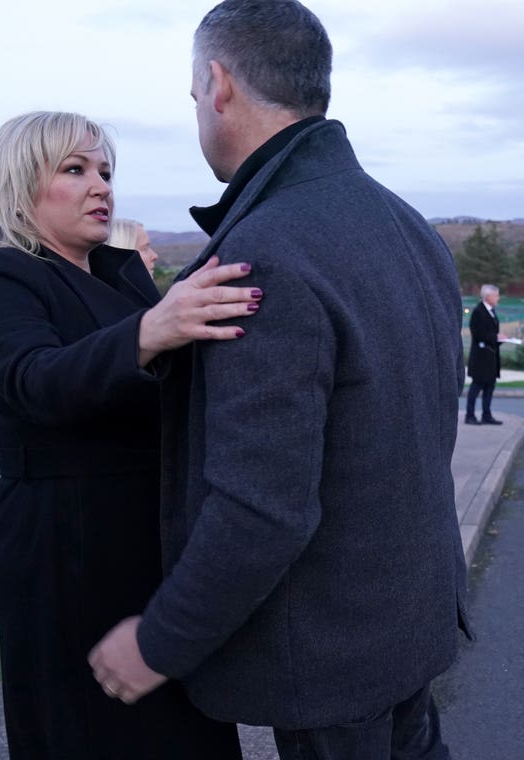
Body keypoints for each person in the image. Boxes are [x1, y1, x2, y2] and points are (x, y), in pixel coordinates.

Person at [88, 3, 472, 759]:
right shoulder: (410, 225)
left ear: (217, 83)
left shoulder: (267, 252)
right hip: (410, 626)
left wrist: (160, 641)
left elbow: (263, 508)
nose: (199, 108)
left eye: (195, 95)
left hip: (334, 658)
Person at [0, 110, 261, 759]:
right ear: (20, 183)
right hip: (71, 556)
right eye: (75, 169)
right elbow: (33, 382)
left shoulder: (123, 277)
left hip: (159, 550)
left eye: (106, 171)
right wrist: (154, 330)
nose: (102, 187)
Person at [465, 284, 506, 425]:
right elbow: (478, 334)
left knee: (490, 387)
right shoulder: (478, 312)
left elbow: (492, 336)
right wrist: (495, 337)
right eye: (496, 295)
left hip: (491, 358)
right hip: (481, 359)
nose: (498, 298)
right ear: (488, 296)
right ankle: (469, 416)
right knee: (476, 387)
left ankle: (486, 415)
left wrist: (501, 339)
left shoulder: (492, 312)